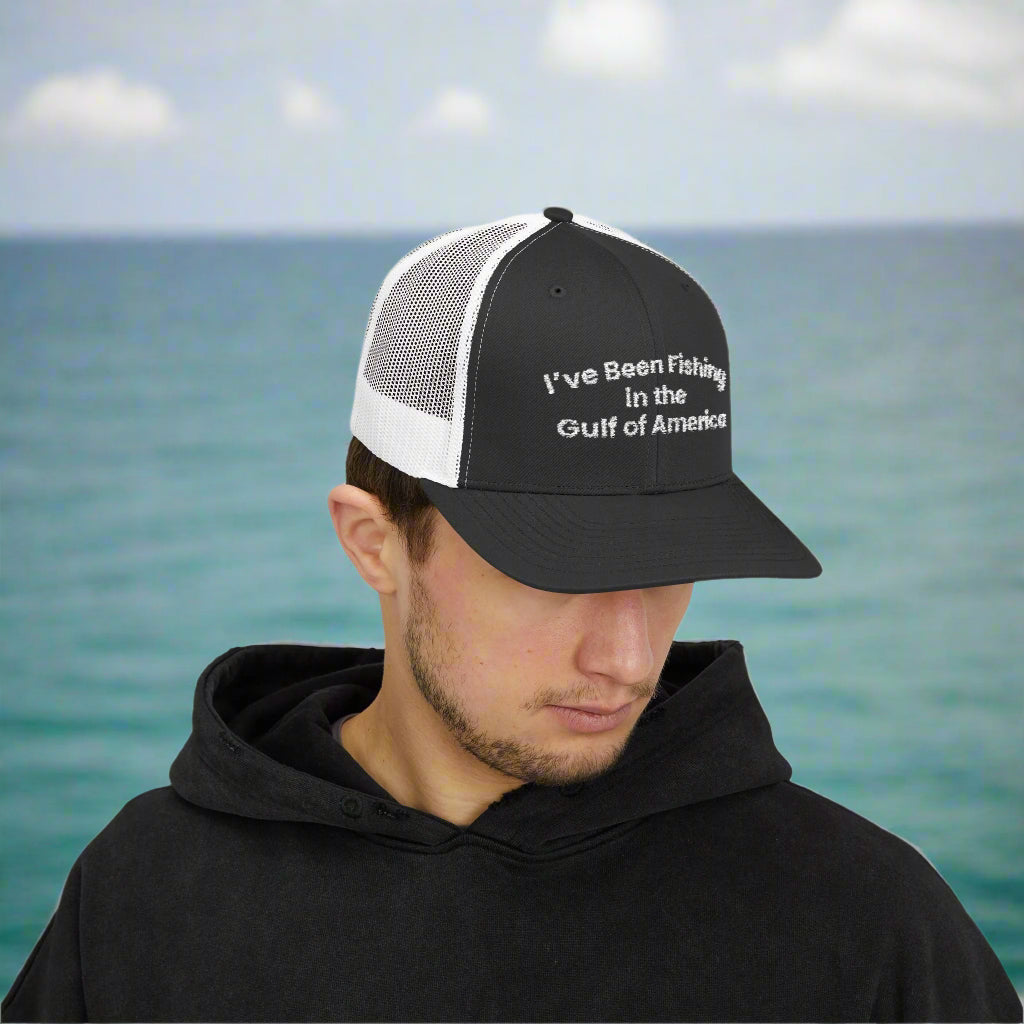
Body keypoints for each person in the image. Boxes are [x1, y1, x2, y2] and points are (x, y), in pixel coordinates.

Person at [3, 206, 1020, 1022]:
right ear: (374, 541)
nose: (626, 656)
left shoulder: (867, 922)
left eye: (669, 567)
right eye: (553, 573)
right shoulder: (149, 895)